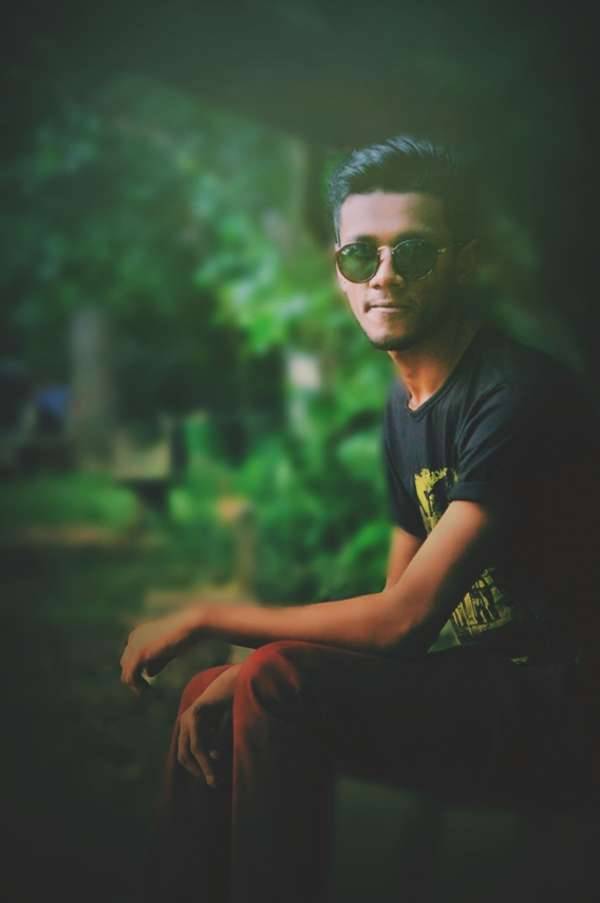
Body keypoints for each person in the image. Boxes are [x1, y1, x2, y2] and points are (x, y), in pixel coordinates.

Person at [120, 136, 599, 903]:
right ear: (338, 269)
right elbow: (392, 608)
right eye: (360, 255)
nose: (384, 276)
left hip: (566, 709)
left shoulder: (516, 397)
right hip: (487, 687)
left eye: (414, 252)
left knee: (274, 677)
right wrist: (233, 665)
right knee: (215, 688)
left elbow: (406, 621)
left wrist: (209, 615)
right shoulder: (405, 405)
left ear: (464, 263)